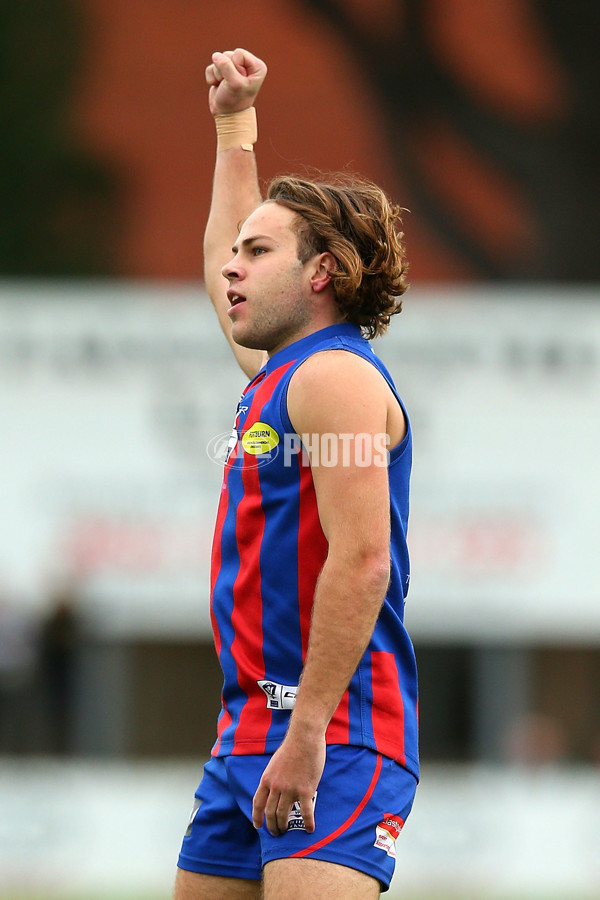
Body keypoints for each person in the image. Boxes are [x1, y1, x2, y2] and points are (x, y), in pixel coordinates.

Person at [174, 48, 419, 900]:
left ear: (321, 273)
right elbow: (217, 267)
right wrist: (234, 126)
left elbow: (362, 560)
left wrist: (309, 725)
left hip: (335, 731)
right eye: (237, 251)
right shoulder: (280, 375)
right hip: (247, 729)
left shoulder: (336, 377)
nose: (232, 267)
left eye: (260, 253)